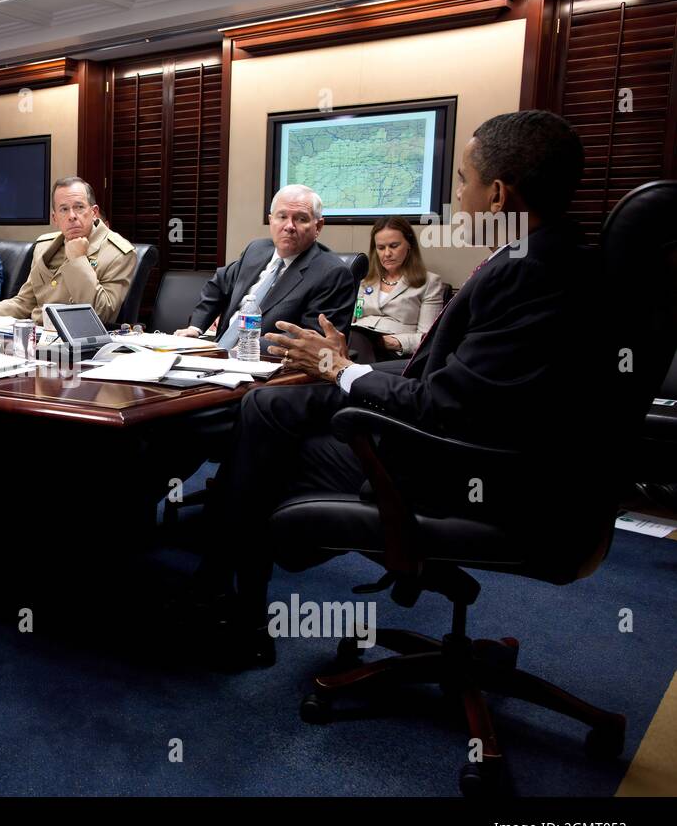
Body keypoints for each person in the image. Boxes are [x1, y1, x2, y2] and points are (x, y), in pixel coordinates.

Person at [189, 110, 599, 668]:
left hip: (465, 471)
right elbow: (452, 384)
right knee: (274, 408)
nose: (458, 196)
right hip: (501, 453)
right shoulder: (555, 255)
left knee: (266, 427)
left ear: (498, 195)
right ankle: (228, 590)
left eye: (462, 180)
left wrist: (340, 370)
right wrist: (341, 364)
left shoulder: (528, 273)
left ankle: (236, 609)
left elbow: (444, 404)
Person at [174, 184, 355, 348]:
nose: (289, 226)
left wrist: (248, 347)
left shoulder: (332, 273)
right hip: (216, 353)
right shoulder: (256, 250)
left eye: (301, 219)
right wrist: (196, 327)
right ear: (271, 220)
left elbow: (312, 338)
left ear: (318, 226)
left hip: (268, 369)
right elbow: (218, 284)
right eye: (282, 216)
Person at [0, 177, 136, 325]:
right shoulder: (44, 246)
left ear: (94, 212)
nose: (72, 216)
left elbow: (102, 315)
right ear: (55, 217)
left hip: (79, 347)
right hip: (36, 338)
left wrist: (78, 260)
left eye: (79, 207)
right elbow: (23, 303)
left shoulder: (119, 252)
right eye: (64, 209)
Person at [347, 216, 445, 362]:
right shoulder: (365, 282)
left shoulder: (430, 283)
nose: (387, 254)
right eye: (381, 248)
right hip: (357, 342)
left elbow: (428, 339)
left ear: (409, 245)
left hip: (394, 352)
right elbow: (355, 317)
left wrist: (393, 342)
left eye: (393, 246)